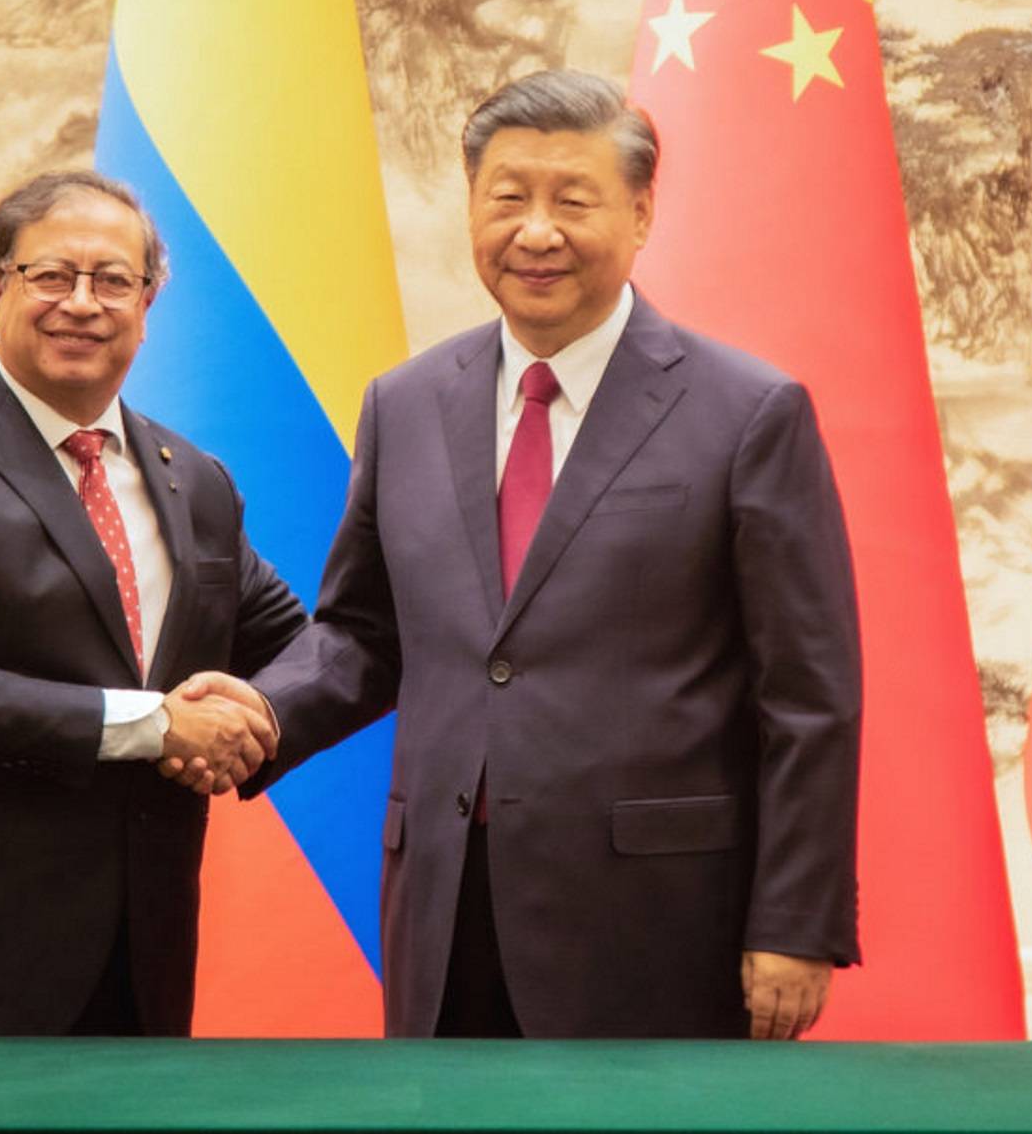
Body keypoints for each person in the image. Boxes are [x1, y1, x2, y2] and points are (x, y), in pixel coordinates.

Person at [182, 69, 862, 1039]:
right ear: (471, 207)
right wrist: (265, 709)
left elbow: (809, 694)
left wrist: (795, 920)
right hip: (445, 903)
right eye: (508, 198)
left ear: (640, 213)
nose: (536, 232)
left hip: (658, 918)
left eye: (572, 201)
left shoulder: (748, 411)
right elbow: (365, 633)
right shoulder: (405, 404)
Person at [0, 170, 306, 1036]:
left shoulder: (197, 480)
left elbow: (299, 647)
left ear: (147, 305)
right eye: (51, 275)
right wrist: (163, 725)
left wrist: (257, 715)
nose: (82, 302)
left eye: (112, 279)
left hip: (140, 963)